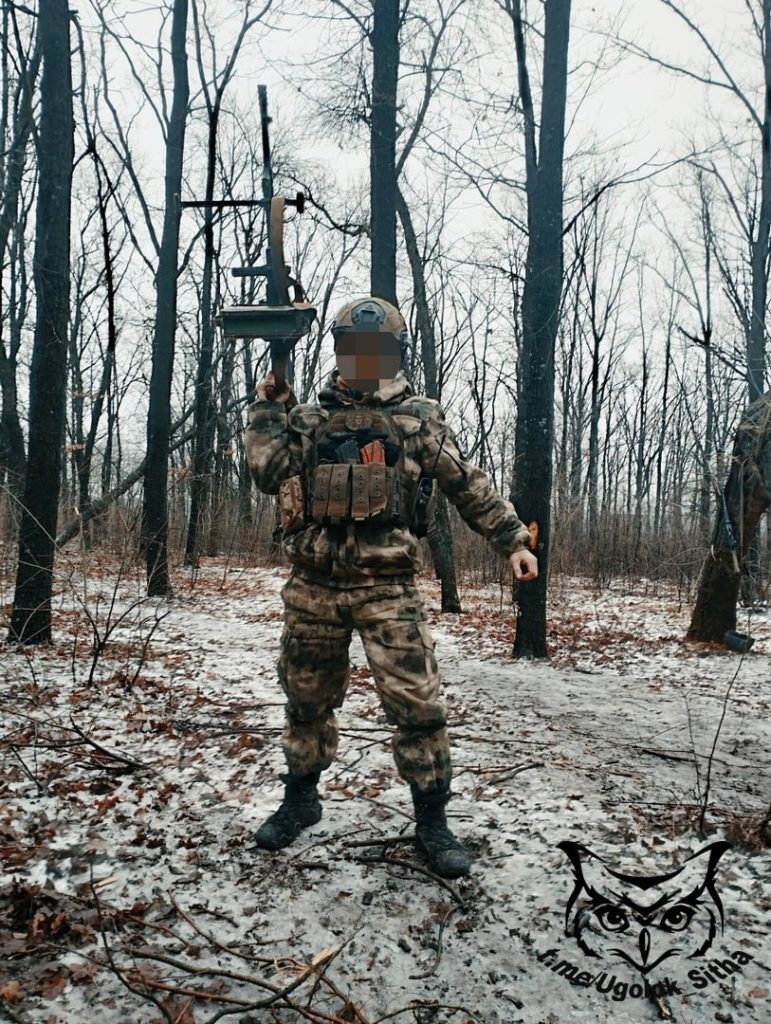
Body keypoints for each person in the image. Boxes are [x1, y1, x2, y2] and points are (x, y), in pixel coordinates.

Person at [244, 296, 537, 878]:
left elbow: (467, 482)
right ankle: (300, 800)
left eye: (376, 351)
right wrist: (268, 409)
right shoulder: (307, 418)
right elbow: (266, 474)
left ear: (393, 354)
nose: (364, 359)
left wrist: (513, 540)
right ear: (339, 351)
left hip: (389, 587)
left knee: (419, 706)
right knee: (305, 702)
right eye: (353, 348)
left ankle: (432, 820)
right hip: (314, 585)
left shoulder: (417, 419)